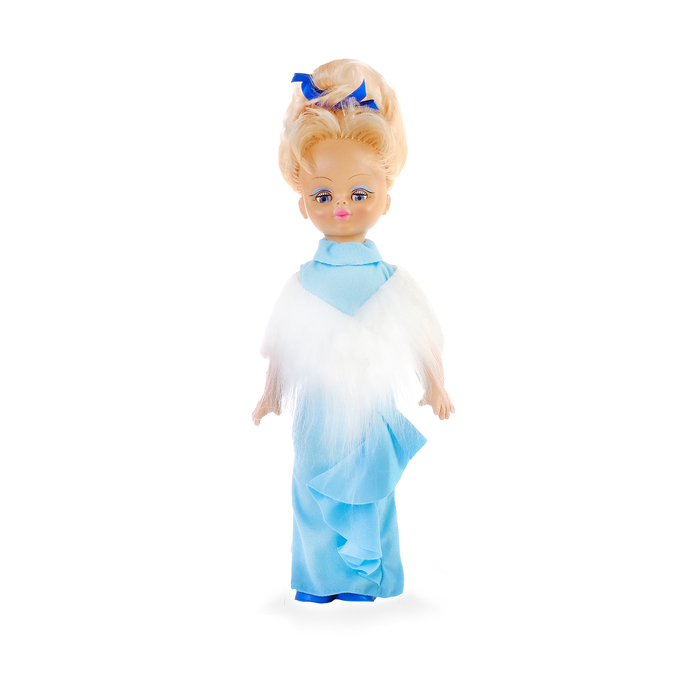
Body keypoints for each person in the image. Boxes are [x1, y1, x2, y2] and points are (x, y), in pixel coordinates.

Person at [252, 59, 454, 603]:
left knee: (371, 494)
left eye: (358, 194)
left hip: (369, 416)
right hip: (317, 417)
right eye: (324, 196)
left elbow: (424, 338)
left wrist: (435, 385)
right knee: (311, 494)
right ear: (304, 204)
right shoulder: (301, 282)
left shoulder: (393, 281)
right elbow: (282, 349)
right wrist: (271, 395)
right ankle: (318, 579)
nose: (340, 206)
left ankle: (365, 578)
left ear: (385, 198)